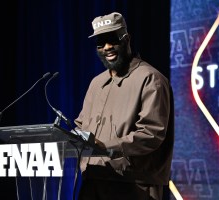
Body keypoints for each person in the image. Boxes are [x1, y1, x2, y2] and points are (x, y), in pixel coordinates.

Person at [74, 12, 174, 200]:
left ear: (127, 39)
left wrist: (105, 146)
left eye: (113, 40)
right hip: (93, 180)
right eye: (101, 43)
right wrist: (67, 138)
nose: (107, 47)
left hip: (134, 186)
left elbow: (151, 134)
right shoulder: (96, 83)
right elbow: (81, 127)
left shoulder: (150, 79)